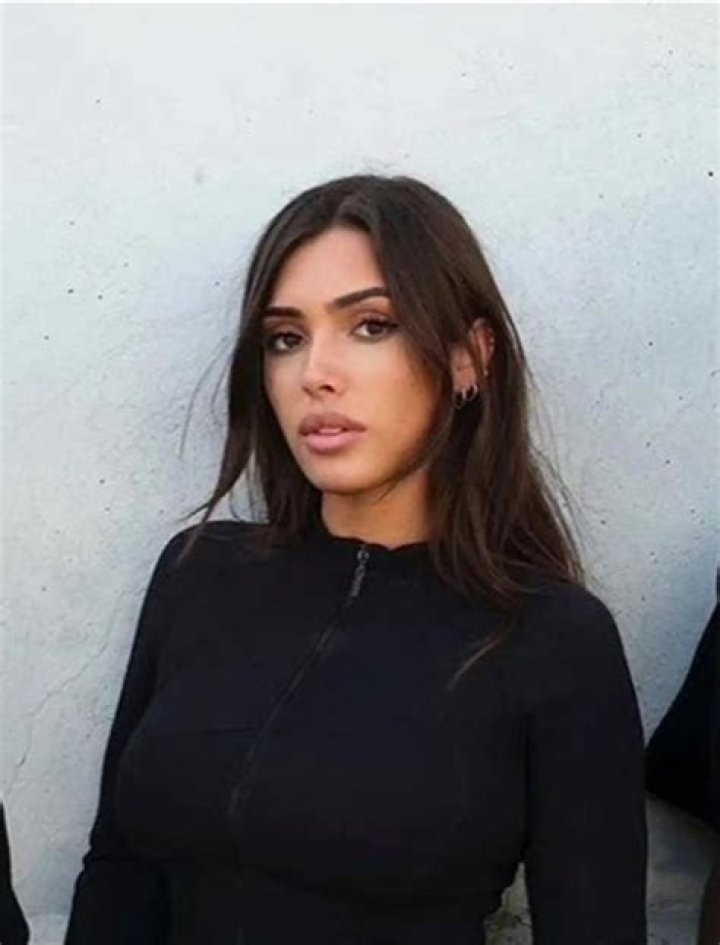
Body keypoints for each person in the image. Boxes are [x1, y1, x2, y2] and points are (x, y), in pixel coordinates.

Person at [64, 174, 647, 944]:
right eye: (286, 337)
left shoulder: (549, 637)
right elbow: (118, 868)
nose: (315, 373)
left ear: (469, 357)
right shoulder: (199, 572)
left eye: (372, 325)